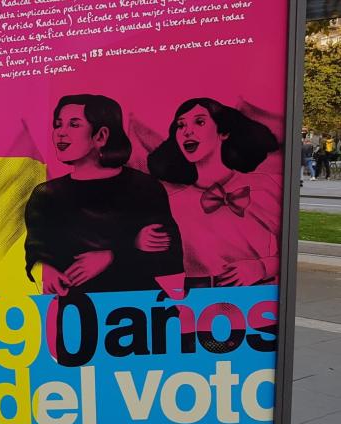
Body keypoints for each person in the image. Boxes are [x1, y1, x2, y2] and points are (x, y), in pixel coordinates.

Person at [24, 94, 184, 296]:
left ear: (101, 136)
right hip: (76, 312)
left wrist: (113, 256)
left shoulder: (144, 187)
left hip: (139, 309)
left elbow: (170, 260)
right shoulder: (45, 195)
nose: (60, 133)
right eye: (58, 125)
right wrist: (46, 269)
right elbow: (37, 249)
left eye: (74, 125)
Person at [148, 97, 281, 287]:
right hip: (196, 301)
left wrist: (261, 267)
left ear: (223, 132)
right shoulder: (172, 197)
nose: (187, 131)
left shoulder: (260, 186)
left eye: (199, 122)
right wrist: (140, 241)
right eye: (180, 125)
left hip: (254, 298)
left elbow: (289, 246)